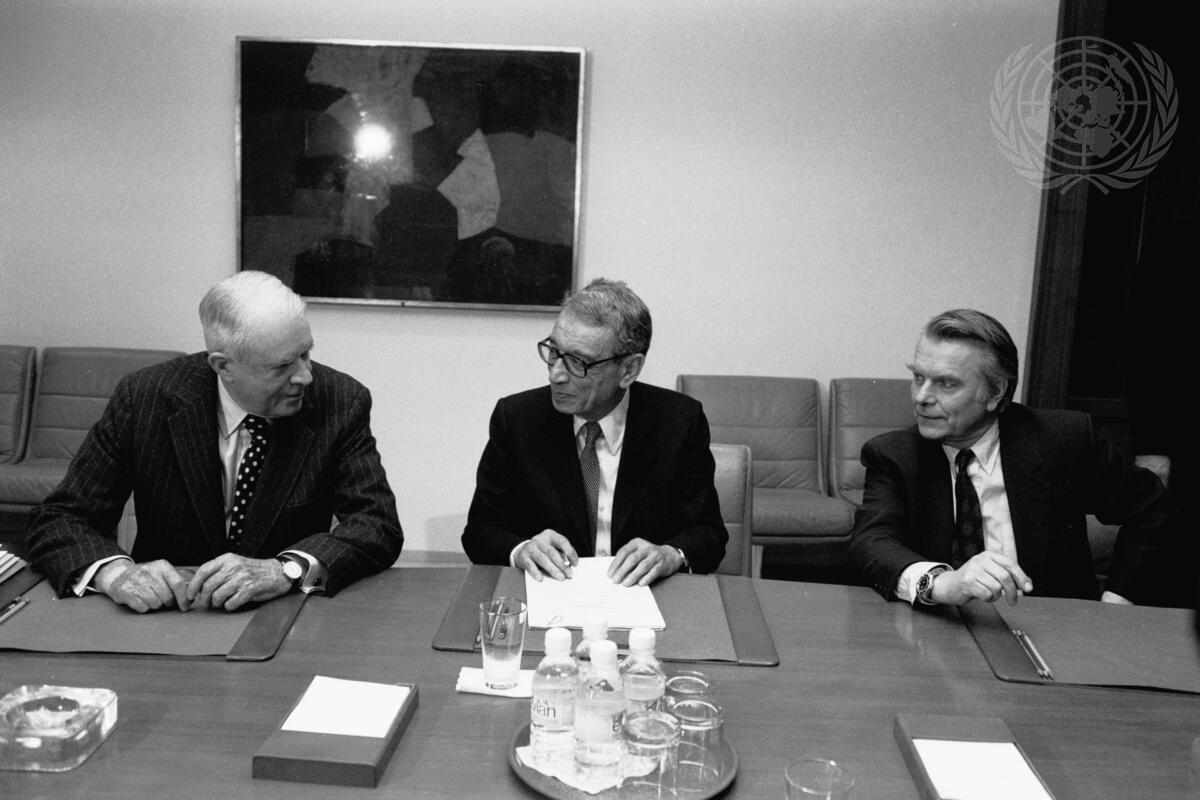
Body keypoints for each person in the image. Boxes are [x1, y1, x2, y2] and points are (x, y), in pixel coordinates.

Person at [26, 271, 403, 613]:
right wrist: (117, 575)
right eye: (283, 366)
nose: (305, 376)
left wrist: (284, 570)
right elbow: (63, 519)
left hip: (283, 613)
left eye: (306, 354)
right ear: (223, 366)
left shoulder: (339, 400)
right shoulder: (144, 398)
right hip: (166, 614)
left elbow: (376, 524)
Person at [849, 309, 1170, 608]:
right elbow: (871, 542)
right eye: (918, 377)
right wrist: (942, 582)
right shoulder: (894, 454)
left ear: (995, 392)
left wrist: (1117, 597)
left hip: (1054, 625)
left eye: (946, 383)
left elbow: (1151, 506)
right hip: (942, 623)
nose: (921, 397)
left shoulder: (1064, 440)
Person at [461, 278, 727, 585]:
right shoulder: (518, 418)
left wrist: (670, 555)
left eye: (578, 362)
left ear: (628, 370)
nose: (556, 374)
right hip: (551, 593)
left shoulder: (679, 421)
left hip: (644, 596)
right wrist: (521, 550)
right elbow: (481, 530)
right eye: (554, 351)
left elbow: (708, 534)